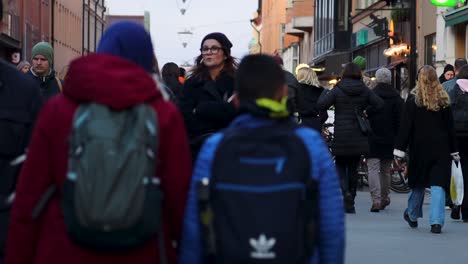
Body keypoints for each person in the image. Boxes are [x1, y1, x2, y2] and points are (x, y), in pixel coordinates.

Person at [5, 21, 192, 264]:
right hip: (142, 250)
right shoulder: (164, 115)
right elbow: (178, 198)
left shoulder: (59, 110)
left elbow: (30, 195)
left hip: (63, 249)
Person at [179, 54, 344, 264]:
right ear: (284, 92)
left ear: (236, 98)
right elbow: (331, 226)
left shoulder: (215, 147)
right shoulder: (309, 144)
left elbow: (195, 226)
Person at [394, 65, 458, 234]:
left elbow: (405, 127)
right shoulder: (444, 99)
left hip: (419, 148)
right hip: (442, 148)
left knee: (418, 183)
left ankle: (413, 215)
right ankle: (436, 222)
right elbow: (450, 128)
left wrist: (399, 149)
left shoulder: (413, 99)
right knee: (438, 185)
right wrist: (454, 150)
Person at [317, 62, 384, 214]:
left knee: (340, 165)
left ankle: (345, 192)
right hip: (358, 135)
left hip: (341, 134)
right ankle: (351, 200)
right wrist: (365, 111)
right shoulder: (364, 89)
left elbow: (321, 105)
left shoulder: (338, 89)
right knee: (353, 167)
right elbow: (380, 104)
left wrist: (326, 93)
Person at [179, 32, 237, 160]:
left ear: (225, 54)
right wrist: (224, 108)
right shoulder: (192, 83)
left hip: (230, 147)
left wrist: (201, 109)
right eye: (205, 49)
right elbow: (185, 117)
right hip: (199, 149)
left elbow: (238, 113)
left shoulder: (237, 81)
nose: (208, 52)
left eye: (214, 48)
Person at [366, 68, 403, 212]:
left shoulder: (372, 95)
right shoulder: (396, 97)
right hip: (390, 137)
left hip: (373, 136)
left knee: (373, 168)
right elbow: (400, 120)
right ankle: (385, 197)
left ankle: (376, 200)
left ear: (377, 78)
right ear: (389, 79)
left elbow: (366, 112)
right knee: (386, 170)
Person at [448, 64, 468, 222]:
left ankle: (455, 204)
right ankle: (466, 211)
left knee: (456, 172)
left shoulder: (452, 90)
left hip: (455, 137)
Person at [295, 65, 327, 131]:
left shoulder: (296, 88)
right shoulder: (320, 90)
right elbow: (324, 114)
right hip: (315, 124)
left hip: (300, 122)